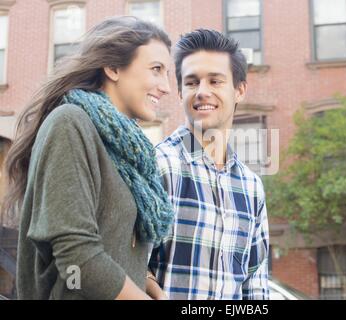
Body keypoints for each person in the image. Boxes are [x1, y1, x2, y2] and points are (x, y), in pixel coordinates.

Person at [2, 16, 174, 300]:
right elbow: (75, 256)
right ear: (113, 67)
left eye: (167, 73)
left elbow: (115, 242)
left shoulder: (129, 151)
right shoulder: (70, 124)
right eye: (156, 69)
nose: (166, 86)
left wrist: (148, 282)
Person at [149, 29, 270, 300]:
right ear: (180, 91)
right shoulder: (158, 166)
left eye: (215, 81)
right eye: (192, 83)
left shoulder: (251, 187)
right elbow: (129, 268)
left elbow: (256, 286)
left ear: (239, 90)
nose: (202, 92)